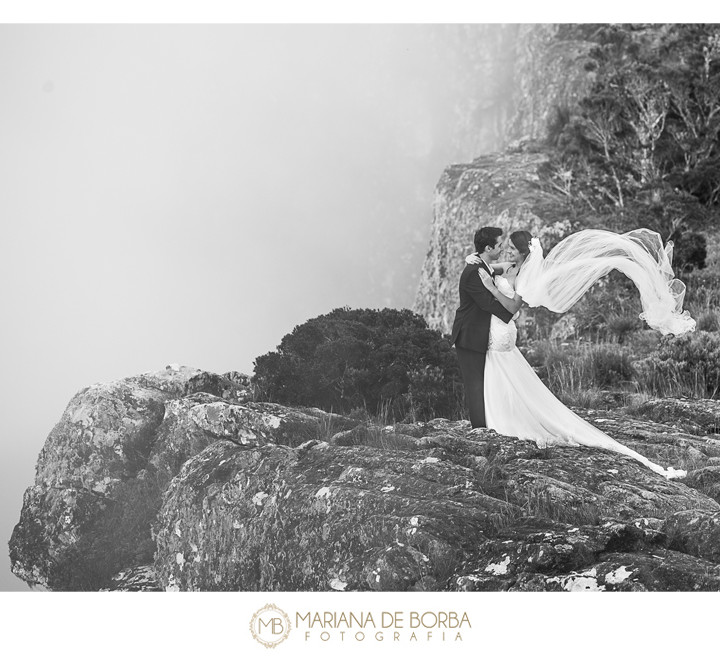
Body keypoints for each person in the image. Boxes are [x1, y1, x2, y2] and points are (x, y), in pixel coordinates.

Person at [464, 228, 691, 479]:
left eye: (509, 247)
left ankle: (502, 420)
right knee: (506, 376)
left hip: (502, 330)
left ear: (520, 252)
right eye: (501, 246)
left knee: (501, 374)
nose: (504, 251)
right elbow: (495, 267)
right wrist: (474, 260)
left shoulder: (525, 277)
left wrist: (491, 287)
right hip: (500, 331)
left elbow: (512, 306)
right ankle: (501, 416)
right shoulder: (516, 266)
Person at [450, 227, 515, 428]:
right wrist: (512, 311)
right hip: (469, 336)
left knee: (485, 383)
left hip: (479, 333)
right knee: (475, 386)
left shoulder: (484, 265)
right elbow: (487, 303)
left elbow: (506, 266)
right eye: (499, 245)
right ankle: (480, 430)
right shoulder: (473, 272)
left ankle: (489, 425)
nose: (503, 248)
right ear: (488, 247)